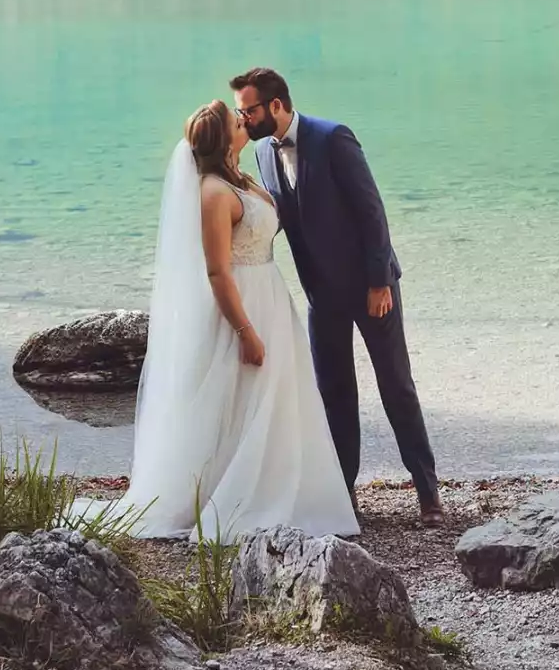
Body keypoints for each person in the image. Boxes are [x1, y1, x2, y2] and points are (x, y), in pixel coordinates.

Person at [101, 99, 356, 539]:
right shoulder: (214, 194)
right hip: (243, 306)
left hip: (270, 295)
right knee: (244, 399)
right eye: (235, 121)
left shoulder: (241, 178)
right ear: (224, 141)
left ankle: (289, 487)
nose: (243, 121)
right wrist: (245, 332)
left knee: (279, 397)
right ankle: (235, 497)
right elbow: (217, 270)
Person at [232, 67, 442, 527]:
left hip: (371, 288)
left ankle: (428, 493)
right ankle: (343, 493)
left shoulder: (332, 139)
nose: (243, 119)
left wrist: (379, 282)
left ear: (276, 105)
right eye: (239, 112)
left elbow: (371, 212)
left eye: (249, 110)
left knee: (396, 386)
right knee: (334, 394)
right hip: (321, 295)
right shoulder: (264, 153)